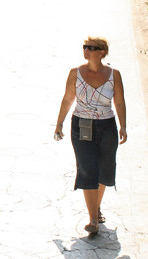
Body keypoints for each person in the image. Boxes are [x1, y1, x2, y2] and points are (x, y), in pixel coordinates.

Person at [54, 37, 127, 237]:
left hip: (107, 126)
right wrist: (59, 123)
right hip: (81, 125)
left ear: (102, 52)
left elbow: (119, 102)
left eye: (92, 48)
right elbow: (68, 98)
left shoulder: (114, 75)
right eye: (85, 47)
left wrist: (123, 126)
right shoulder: (75, 73)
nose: (86, 50)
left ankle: (96, 208)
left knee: (104, 169)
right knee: (87, 168)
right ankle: (93, 219)